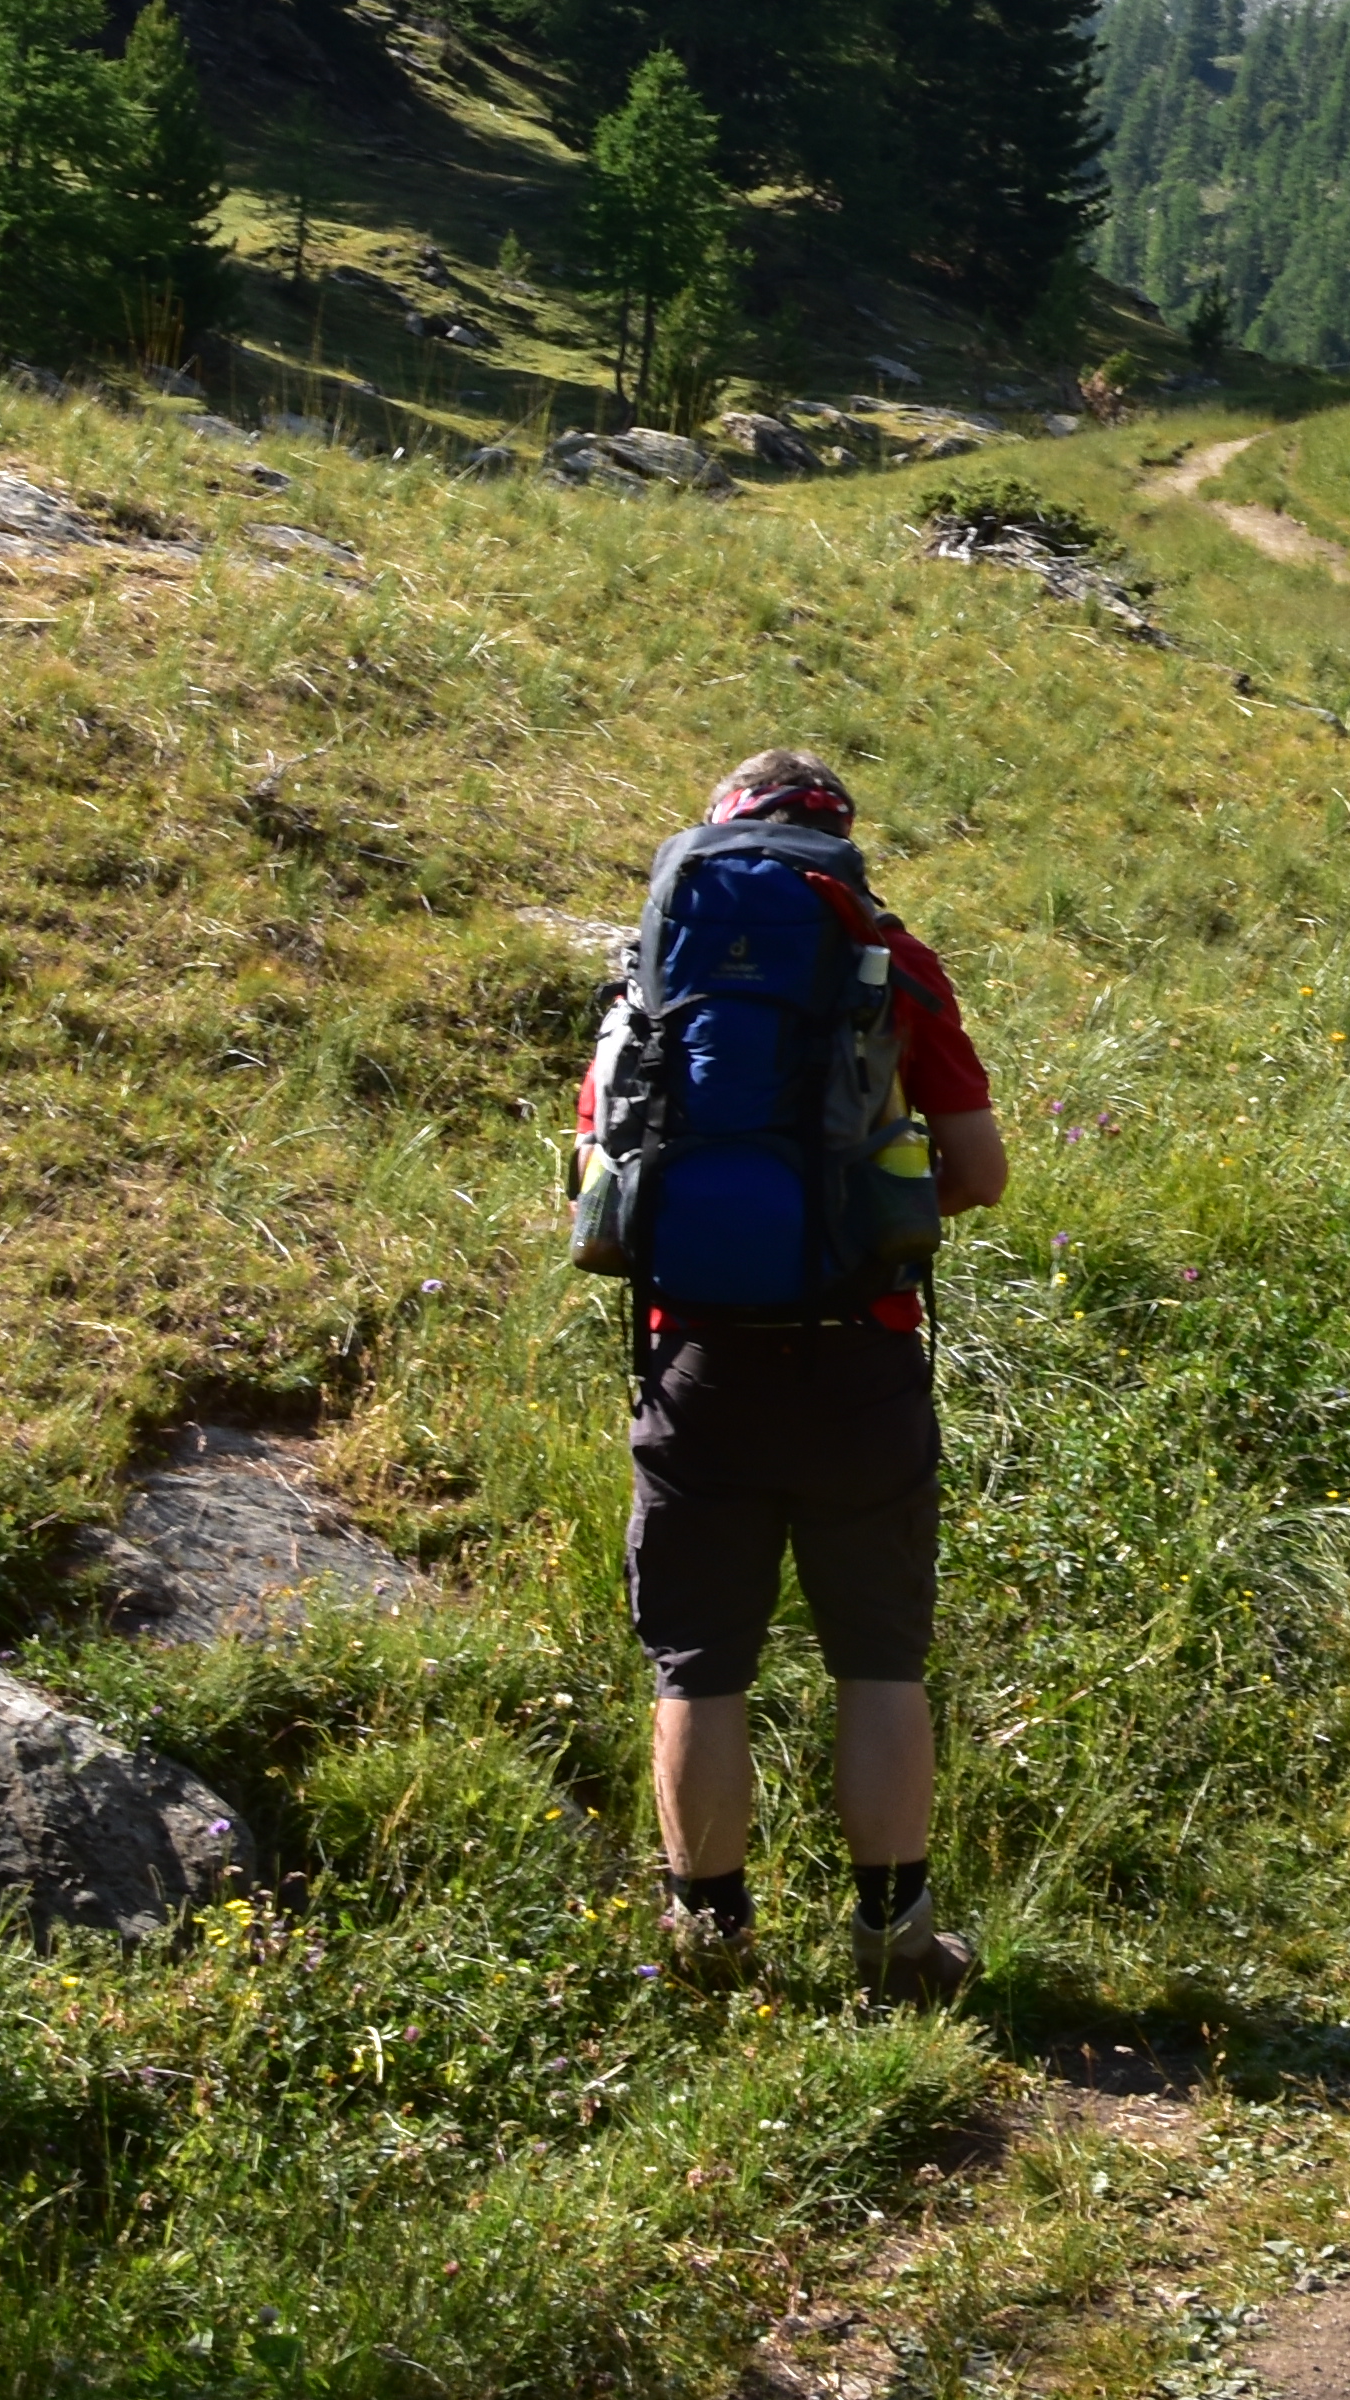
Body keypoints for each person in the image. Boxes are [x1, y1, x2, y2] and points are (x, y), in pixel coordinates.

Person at [590, 747, 1007, 2000]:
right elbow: (980, 1172)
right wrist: (861, 1224)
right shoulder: (889, 961)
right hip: (857, 1358)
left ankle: (709, 1936)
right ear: (837, 837)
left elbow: (609, 1179)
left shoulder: (654, 975)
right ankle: (897, 1940)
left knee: (699, 1663)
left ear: (715, 835)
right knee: (878, 1659)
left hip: (696, 1361)